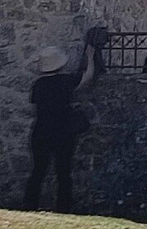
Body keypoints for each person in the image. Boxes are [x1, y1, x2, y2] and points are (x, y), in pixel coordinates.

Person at [23, 44, 95, 212]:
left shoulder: (39, 85)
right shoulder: (65, 81)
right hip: (63, 131)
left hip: (41, 131)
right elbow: (88, 76)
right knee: (63, 172)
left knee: (38, 170)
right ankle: (63, 207)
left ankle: (29, 205)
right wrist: (90, 57)